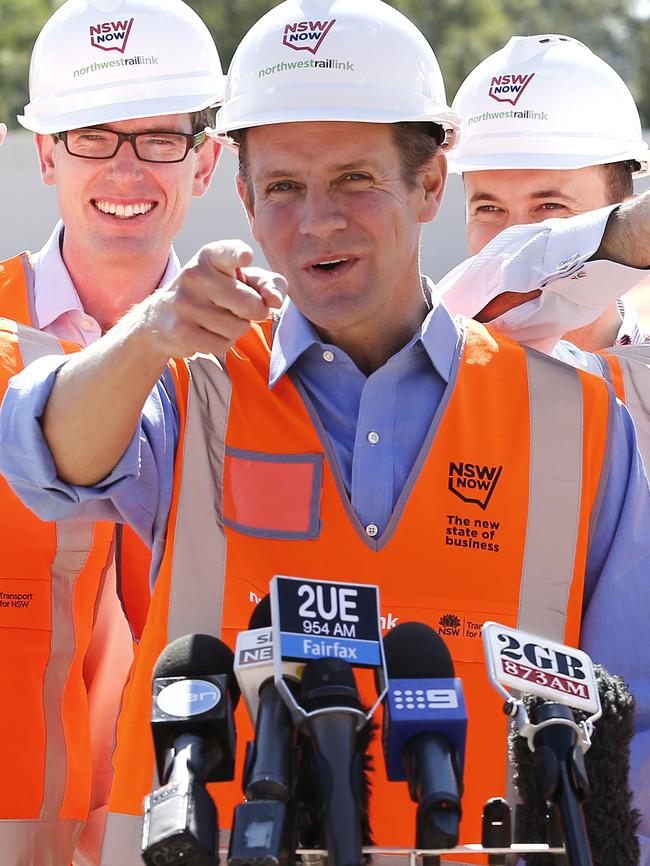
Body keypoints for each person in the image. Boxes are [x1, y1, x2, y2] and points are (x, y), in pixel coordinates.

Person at [1, 2, 648, 864]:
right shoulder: (193, 385)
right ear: (240, 195)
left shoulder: (578, 420)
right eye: (283, 188)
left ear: (428, 185)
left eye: (353, 181)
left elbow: (631, 719)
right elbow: (50, 460)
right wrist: (153, 330)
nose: (316, 222)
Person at [0, 0, 223, 863]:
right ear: (47, 153)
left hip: (180, 830)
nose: (126, 169)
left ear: (204, 163)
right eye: (94, 135)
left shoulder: (257, 362)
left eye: (160, 139)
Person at [443, 34, 650, 351]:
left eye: (550, 206)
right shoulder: (429, 376)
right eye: (489, 209)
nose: (516, 239)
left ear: (623, 214)